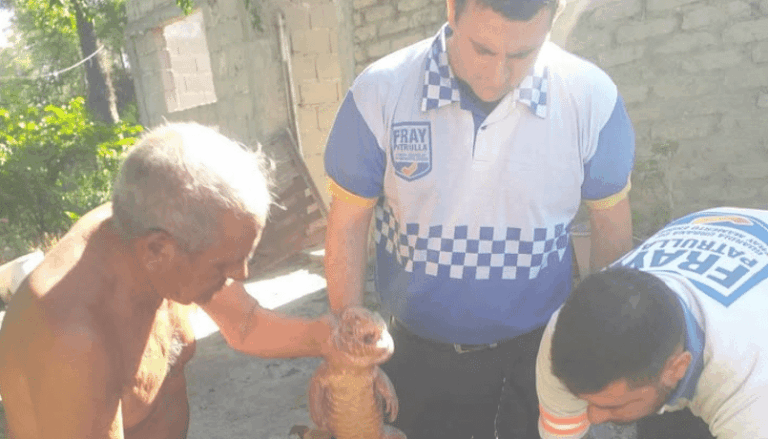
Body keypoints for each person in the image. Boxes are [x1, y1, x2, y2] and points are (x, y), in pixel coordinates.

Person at [322, 0, 636, 436]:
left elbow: (611, 229)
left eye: (523, 54)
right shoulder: (379, 92)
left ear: (552, 19)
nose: (497, 75)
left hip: (542, 357)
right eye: (483, 50)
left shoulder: (591, 98)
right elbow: (347, 226)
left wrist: (606, 337)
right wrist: (350, 342)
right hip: (415, 357)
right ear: (452, 10)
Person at [0, 122, 336, 439]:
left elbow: (246, 324)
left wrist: (331, 339)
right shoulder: (72, 343)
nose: (241, 275)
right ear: (157, 250)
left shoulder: (161, 219)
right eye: (223, 266)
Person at [536, 207, 768, 439]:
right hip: (716, 228)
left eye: (612, 406)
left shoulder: (749, 390)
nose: (593, 417)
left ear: (676, 367)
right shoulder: (566, 335)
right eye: (584, 399)